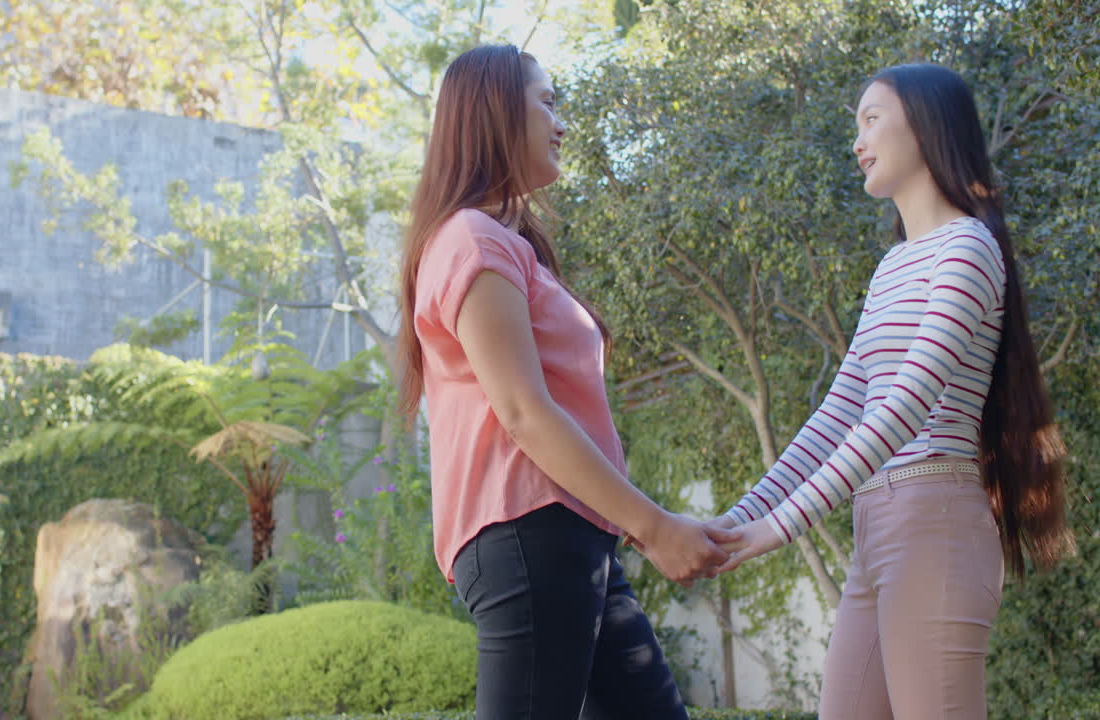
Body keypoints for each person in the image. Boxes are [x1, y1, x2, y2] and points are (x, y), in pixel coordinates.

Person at [711, 64, 1073, 719]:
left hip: (935, 523)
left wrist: (781, 527)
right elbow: (842, 409)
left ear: (926, 125)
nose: (858, 139)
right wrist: (735, 522)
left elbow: (904, 406)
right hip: (875, 529)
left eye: (871, 118)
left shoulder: (969, 249)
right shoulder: (894, 264)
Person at [396, 44, 738, 720]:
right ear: (496, 112)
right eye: (546, 102)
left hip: (570, 538)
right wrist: (656, 528)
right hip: (530, 532)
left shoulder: (498, 240)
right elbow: (523, 410)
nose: (560, 123)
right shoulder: (473, 241)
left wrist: (639, 528)